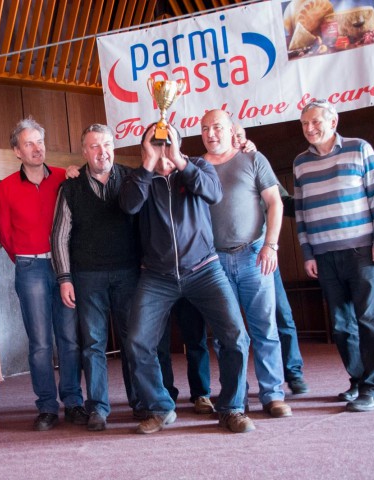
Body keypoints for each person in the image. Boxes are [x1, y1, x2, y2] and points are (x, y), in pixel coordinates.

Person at [119, 123, 254, 435]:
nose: (162, 148)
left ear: (179, 145)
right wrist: (148, 164)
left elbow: (214, 193)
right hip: (157, 276)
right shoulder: (138, 178)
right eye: (155, 143)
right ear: (144, 148)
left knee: (235, 335)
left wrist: (180, 160)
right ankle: (159, 407)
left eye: (168, 142)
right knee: (137, 341)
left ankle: (232, 408)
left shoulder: (197, 167)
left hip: (205, 269)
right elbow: (129, 206)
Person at [294, 99, 374, 412]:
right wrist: (307, 252)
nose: (310, 129)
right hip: (324, 255)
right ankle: (359, 381)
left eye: (316, 122)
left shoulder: (359, 148)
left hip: (362, 250)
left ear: (333, 122)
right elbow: (301, 213)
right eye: (305, 124)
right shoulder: (300, 163)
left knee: (370, 320)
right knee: (340, 326)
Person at [0, 117, 85, 431]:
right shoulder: (5, 187)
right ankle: (46, 406)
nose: (37, 148)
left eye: (40, 142)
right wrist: (24, 259)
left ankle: (73, 401)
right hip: (30, 267)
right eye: (29, 144)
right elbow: (6, 234)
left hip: (65, 268)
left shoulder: (64, 177)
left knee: (70, 339)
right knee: (41, 343)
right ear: (17, 151)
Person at [202, 110, 291, 418]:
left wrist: (271, 245)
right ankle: (235, 395)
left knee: (265, 328)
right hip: (214, 263)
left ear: (231, 131)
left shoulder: (253, 159)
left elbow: (275, 202)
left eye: (217, 127)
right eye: (205, 129)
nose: (211, 133)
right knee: (224, 335)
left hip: (255, 256)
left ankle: (273, 395)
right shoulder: (197, 167)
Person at [51, 124, 140, 431]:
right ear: (84, 152)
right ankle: (99, 407)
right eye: (95, 146)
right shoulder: (70, 187)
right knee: (93, 344)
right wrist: (64, 277)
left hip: (129, 273)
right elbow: (59, 235)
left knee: (132, 340)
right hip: (87, 277)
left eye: (107, 145)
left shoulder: (131, 178)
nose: (103, 152)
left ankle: (139, 402)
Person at [235, 124, 310, 395]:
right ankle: (236, 388)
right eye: (232, 136)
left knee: (281, 316)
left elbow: (284, 201)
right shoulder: (214, 167)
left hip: (262, 254)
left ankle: (293, 372)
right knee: (231, 327)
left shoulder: (257, 163)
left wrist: (313, 203)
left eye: (240, 136)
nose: (237, 141)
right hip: (226, 257)